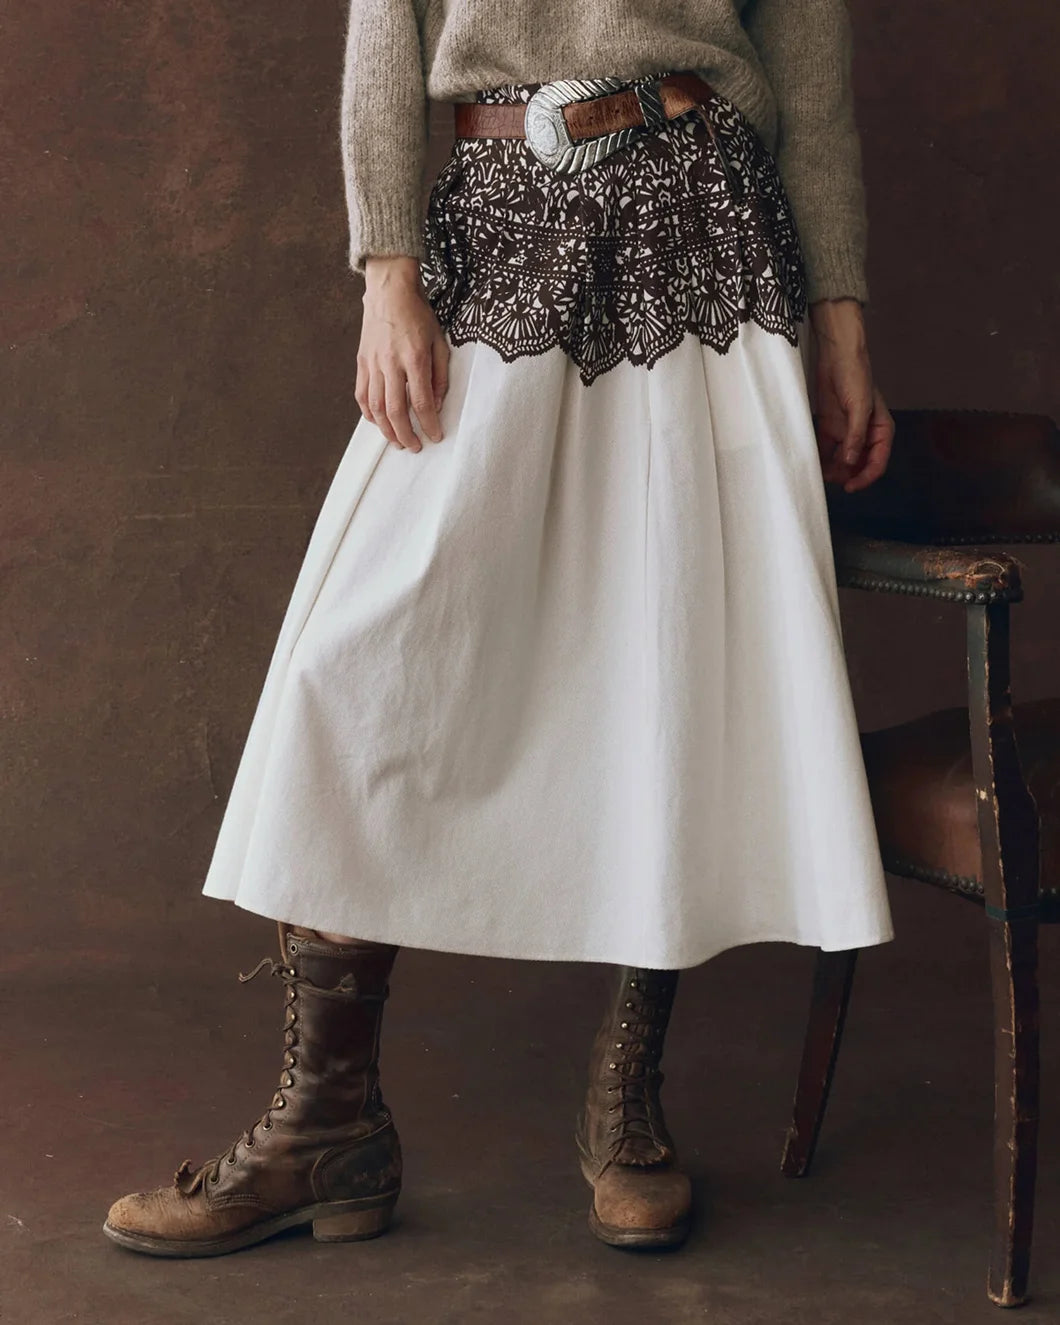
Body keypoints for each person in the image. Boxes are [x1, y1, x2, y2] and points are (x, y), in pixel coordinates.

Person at [104, 0, 896, 1258]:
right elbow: (383, 40)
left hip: (706, 227)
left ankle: (624, 1103)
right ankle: (328, 1123)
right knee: (355, 657)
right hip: (495, 217)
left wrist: (843, 316)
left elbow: (811, 73)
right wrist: (387, 271)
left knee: (668, 655)